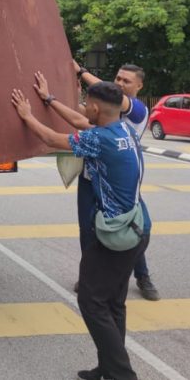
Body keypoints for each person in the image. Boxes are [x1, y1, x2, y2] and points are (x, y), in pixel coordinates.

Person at [12, 82, 150, 380]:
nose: (84, 107)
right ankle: (108, 367)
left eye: (86, 103)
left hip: (117, 235)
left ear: (97, 109)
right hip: (138, 227)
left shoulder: (100, 139)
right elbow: (78, 121)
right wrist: (49, 98)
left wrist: (26, 115)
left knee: (90, 300)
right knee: (113, 303)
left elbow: (51, 138)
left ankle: (122, 374)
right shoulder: (123, 129)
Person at [35, 63, 159, 302]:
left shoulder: (137, 112)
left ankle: (142, 276)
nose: (120, 84)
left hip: (119, 185)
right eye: (118, 79)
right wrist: (50, 98)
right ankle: (91, 273)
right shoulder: (109, 118)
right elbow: (81, 117)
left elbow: (104, 96)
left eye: (126, 81)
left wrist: (80, 71)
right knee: (88, 230)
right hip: (91, 179)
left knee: (132, 229)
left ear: (140, 86)